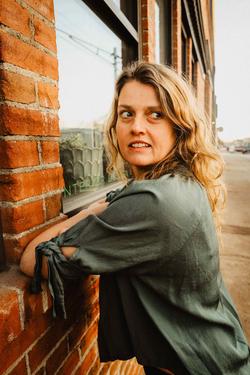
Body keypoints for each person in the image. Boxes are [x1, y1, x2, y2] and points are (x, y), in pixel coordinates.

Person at [20, 62, 250, 375]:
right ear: (115, 124)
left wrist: (89, 210)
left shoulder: (155, 201)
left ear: (178, 126)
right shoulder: (179, 181)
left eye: (155, 114)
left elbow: (33, 260)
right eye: (127, 113)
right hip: (219, 352)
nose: (137, 126)